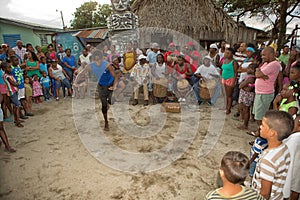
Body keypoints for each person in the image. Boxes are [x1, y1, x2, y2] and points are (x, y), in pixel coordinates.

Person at [252, 110, 293, 199]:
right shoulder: (284, 148)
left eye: (263, 125)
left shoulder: (268, 160)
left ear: (272, 133)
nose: (260, 127)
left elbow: (265, 193)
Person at [251, 47, 281, 135]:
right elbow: (257, 72)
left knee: (260, 117)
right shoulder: (267, 63)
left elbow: (258, 73)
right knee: (258, 115)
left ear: (271, 54)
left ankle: (262, 135)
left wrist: (260, 74)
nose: (262, 57)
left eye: (264, 55)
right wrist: (260, 74)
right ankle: (259, 132)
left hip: (264, 93)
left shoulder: (274, 64)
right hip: (260, 92)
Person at [87, 50, 118, 131]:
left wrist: (114, 86)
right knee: (104, 106)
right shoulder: (92, 65)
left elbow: (115, 77)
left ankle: (109, 101)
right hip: (101, 86)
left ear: (102, 59)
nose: (97, 62)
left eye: (99, 59)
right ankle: (106, 122)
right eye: (95, 60)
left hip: (110, 85)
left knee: (112, 101)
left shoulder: (107, 65)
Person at [283, 114, 300, 200]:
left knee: (294, 187)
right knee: (296, 188)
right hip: (296, 167)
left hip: (293, 168)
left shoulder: (294, 139)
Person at [2, 62, 23, 127]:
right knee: (17, 106)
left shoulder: (9, 75)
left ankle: (17, 119)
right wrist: (17, 83)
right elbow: (13, 83)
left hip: (14, 91)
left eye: (10, 67)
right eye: (8, 68)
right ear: (4, 69)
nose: (10, 69)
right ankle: (17, 121)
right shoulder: (7, 76)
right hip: (12, 92)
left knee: (15, 106)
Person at [237, 64, 257, 130]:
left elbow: (241, 86)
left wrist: (243, 86)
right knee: (244, 108)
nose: (248, 70)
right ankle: (244, 122)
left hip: (247, 95)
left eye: (250, 68)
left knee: (246, 110)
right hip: (245, 93)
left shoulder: (251, 78)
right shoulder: (250, 77)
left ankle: (245, 125)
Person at [221, 48, 238, 114]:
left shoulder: (234, 62)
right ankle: (225, 106)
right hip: (224, 78)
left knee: (229, 95)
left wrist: (234, 81)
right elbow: (222, 69)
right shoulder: (224, 60)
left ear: (232, 54)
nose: (226, 54)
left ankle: (228, 109)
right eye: (226, 53)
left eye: (228, 53)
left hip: (230, 79)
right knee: (224, 94)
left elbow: (236, 72)